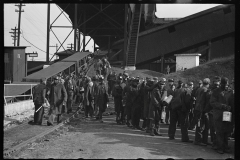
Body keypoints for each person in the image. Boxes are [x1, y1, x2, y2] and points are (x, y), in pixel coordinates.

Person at [210, 77, 233, 154]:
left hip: (227, 114)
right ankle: (220, 148)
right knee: (219, 131)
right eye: (224, 84)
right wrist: (222, 106)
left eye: (226, 84)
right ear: (221, 84)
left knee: (226, 131)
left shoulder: (229, 91)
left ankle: (225, 146)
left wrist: (229, 106)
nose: (225, 86)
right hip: (218, 114)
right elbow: (212, 102)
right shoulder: (215, 91)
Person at [191, 78, 211, 146]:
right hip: (201, 110)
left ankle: (202, 140)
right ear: (208, 84)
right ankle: (198, 140)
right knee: (201, 125)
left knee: (201, 125)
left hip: (197, 108)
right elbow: (205, 101)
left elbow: (196, 96)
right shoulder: (206, 90)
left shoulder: (199, 89)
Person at [204, 76, 221, 149]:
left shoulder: (223, 90)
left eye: (217, 82)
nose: (216, 84)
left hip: (220, 112)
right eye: (215, 82)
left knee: (219, 129)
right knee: (212, 128)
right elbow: (208, 102)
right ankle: (214, 143)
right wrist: (206, 111)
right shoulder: (210, 90)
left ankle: (219, 143)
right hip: (212, 112)